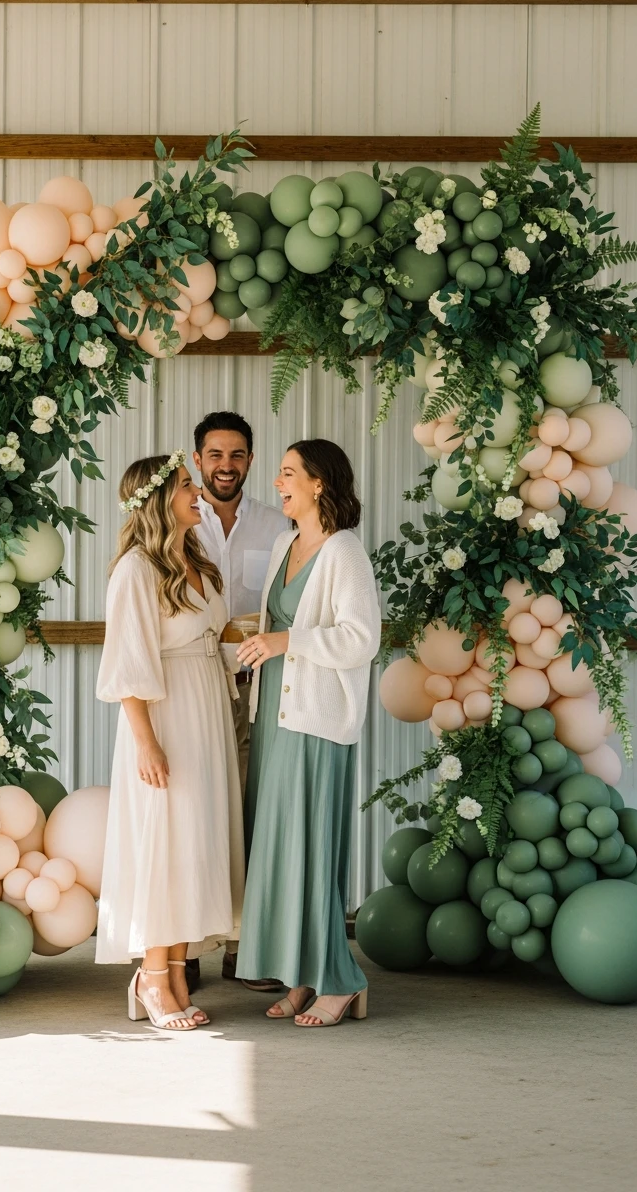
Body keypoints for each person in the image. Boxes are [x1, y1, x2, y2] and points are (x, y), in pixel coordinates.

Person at [95, 450, 244, 1031]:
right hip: (166, 714)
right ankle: (152, 975)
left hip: (208, 707)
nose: (199, 492)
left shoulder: (199, 561)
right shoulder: (136, 570)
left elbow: (216, 636)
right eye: (187, 485)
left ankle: (179, 968)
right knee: (165, 840)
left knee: (197, 841)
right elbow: (128, 664)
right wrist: (145, 742)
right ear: (158, 497)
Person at [235, 439, 381, 1028]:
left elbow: (360, 638)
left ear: (320, 483)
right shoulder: (284, 544)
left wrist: (285, 642)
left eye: (288, 473)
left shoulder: (344, 551)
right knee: (278, 849)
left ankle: (340, 979)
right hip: (273, 714)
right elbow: (274, 622)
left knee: (312, 850)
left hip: (316, 720)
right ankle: (302, 974)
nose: (278, 482)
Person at [192, 410, 289, 987]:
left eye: (237, 455)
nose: (225, 466)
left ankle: (244, 948)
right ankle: (188, 948)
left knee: (251, 813)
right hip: (197, 688)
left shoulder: (279, 526)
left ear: (251, 460)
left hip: (258, 691)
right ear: (198, 458)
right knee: (200, 813)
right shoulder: (176, 522)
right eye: (215, 455)